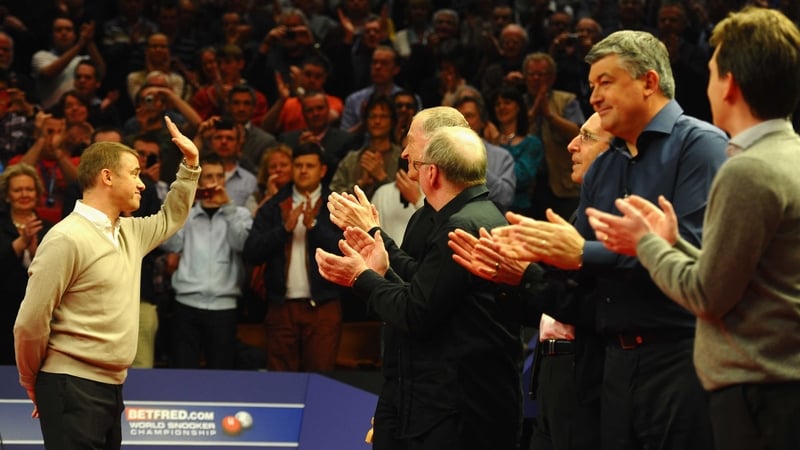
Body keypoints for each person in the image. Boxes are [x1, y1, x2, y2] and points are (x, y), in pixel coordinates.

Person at [490, 29, 729, 450]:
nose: (594, 96)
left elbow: (693, 253)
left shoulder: (701, 145)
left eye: (606, 82)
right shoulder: (604, 167)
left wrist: (580, 253)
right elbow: (577, 270)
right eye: (592, 85)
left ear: (649, 82)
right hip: (610, 363)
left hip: (681, 356)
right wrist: (526, 257)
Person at [584, 8, 800, 450]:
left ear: (731, 84)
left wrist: (645, 242)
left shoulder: (746, 170)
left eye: (711, 72)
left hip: (756, 388)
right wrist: (672, 242)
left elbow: (707, 294)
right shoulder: (789, 154)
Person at [317, 115, 523, 449]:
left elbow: (417, 312)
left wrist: (361, 277)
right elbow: (428, 292)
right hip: (442, 400)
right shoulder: (473, 216)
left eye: (411, 144)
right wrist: (380, 260)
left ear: (431, 172)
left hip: (453, 409)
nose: (404, 154)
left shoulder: (460, 227)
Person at [13, 116, 200, 449]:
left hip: (110, 387)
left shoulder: (129, 233)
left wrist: (190, 166)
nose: (142, 184)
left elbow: (172, 216)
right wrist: (33, 382)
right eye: (135, 174)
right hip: (69, 384)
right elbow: (29, 324)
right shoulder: (66, 238)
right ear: (107, 177)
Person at [449, 113, 612, 450]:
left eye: (586, 137)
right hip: (552, 377)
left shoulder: (613, 217)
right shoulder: (579, 212)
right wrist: (504, 278)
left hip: (588, 379)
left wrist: (526, 275)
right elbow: (546, 309)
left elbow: (595, 307)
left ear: (616, 152)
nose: (572, 144)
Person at [243, 143, 343, 372]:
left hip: (324, 306)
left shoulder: (336, 205)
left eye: (310, 165)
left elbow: (346, 252)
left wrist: (314, 226)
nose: (303, 170)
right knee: (282, 384)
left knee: (320, 381)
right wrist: (284, 230)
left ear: (323, 170)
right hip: (281, 307)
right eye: (298, 165)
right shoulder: (275, 205)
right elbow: (252, 252)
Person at [161, 153, 252, 369]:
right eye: (208, 177)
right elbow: (170, 245)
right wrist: (181, 207)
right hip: (186, 303)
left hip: (224, 305)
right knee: (183, 372)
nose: (214, 183)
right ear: (199, 183)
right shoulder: (188, 216)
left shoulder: (240, 213)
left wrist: (228, 208)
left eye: (219, 177)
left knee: (220, 375)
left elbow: (243, 245)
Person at [523, 52, 585, 221]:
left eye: (541, 74)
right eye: (532, 74)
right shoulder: (518, 102)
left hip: (563, 185)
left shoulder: (567, 100)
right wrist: (536, 107)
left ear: (551, 78)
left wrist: (550, 116)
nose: (536, 79)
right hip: (530, 187)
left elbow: (579, 134)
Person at [0, 164, 52, 365]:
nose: (24, 194)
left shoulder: (51, 229)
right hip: (3, 312)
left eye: (29, 189)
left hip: (38, 315)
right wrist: (21, 242)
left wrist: (34, 251)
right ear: (7, 195)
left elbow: (55, 273)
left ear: (37, 193)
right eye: (17, 190)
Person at [329, 95, 402, 198]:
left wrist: (382, 178)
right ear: (365, 121)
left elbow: (408, 197)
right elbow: (334, 194)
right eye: (372, 116)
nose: (377, 121)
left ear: (393, 121)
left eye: (383, 116)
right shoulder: (351, 159)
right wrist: (360, 184)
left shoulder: (402, 157)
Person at [453, 94, 517, 211]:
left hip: (489, 226)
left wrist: (476, 167)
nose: (462, 122)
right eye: (458, 117)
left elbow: (506, 197)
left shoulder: (502, 156)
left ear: (482, 122)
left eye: (469, 116)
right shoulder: (440, 157)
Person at [31, 16, 105, 109]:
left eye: (68, 29)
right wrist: (80, 44)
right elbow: (49, 73)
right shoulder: (41, 56)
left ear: (74, 34)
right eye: (59, 30)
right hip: (53, 115)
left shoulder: (82, 59)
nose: (64, 33)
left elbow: (100, 71)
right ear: (51, 35)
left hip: (81, 113)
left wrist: (89, 41)